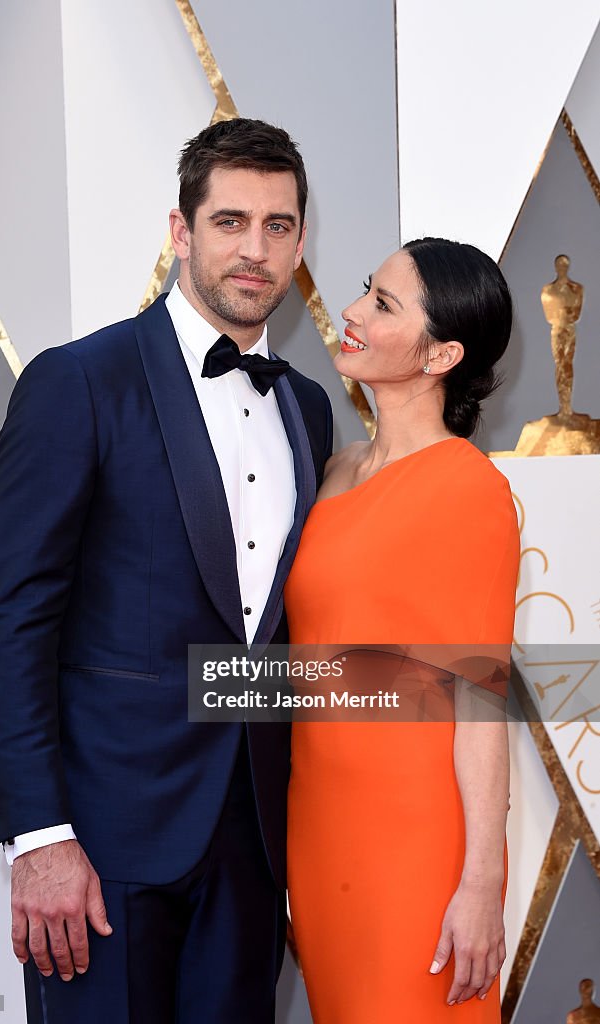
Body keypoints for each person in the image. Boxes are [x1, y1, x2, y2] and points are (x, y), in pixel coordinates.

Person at [0, 117, 333, 1024]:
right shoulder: (78, 381)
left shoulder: (309, 409)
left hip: (252, 842)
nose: (255, 251)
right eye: (230, 222)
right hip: (99, 845)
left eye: (278, 226)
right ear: (180, 231)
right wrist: (40, 835)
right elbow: (10, 617)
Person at [286, 237, 519, 1021]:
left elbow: (481, 695)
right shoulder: (330, 471)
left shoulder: (466, 489)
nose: (350, 313)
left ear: (441, 353)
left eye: (382, 305)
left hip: (414, 844)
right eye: (365, 291)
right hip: (318, 834)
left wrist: (480, 882)